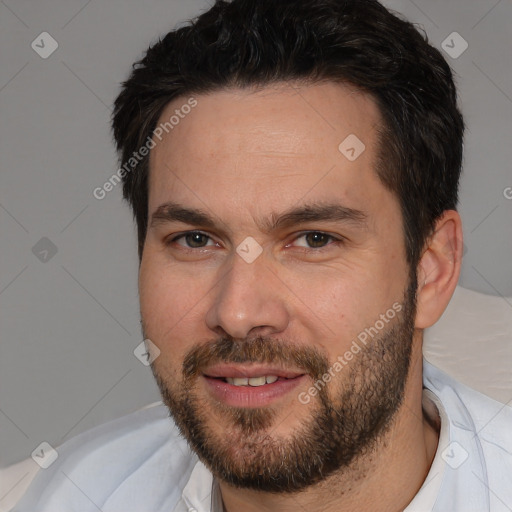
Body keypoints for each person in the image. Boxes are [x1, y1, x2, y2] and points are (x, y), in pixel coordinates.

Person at [14, 0, 512, 511]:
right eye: (195, 239)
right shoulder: (71, 494)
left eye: (314, 239)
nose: (237, 314)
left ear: (431, 270)